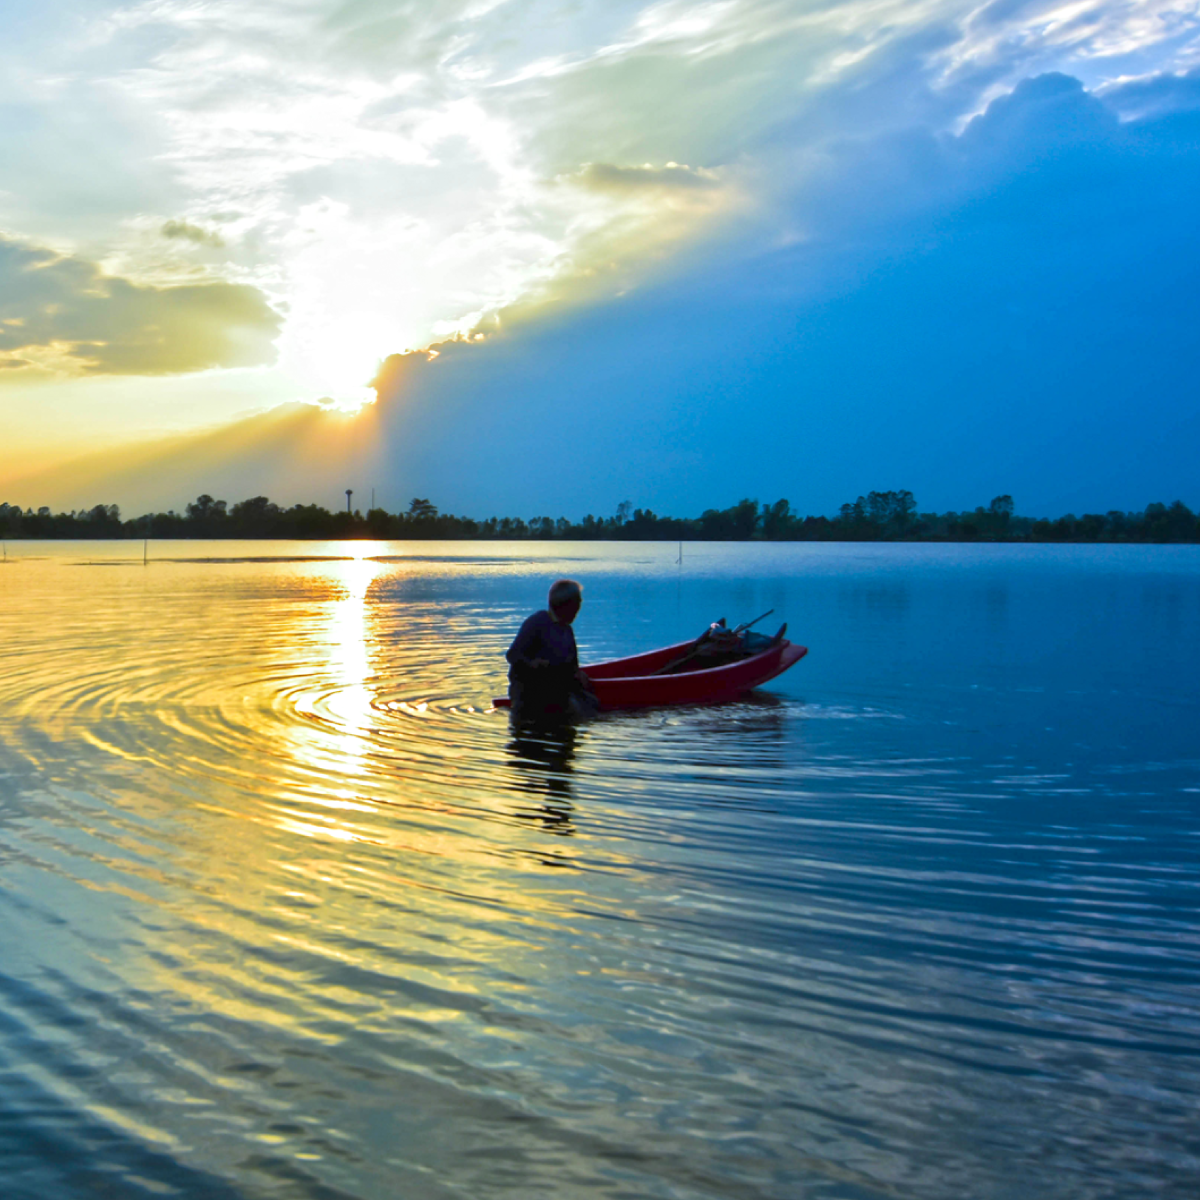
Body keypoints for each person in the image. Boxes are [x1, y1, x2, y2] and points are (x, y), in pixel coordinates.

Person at [506, 578, 598, 718]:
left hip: (557, 690)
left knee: (592, 704)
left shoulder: (567, 630)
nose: (579, 608)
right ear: (566, 605)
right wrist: (532, 664)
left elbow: (572, 665)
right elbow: (513, 655)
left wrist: (578, 674)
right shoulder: (537, 622)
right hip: (531, 692)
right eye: (577, 603)